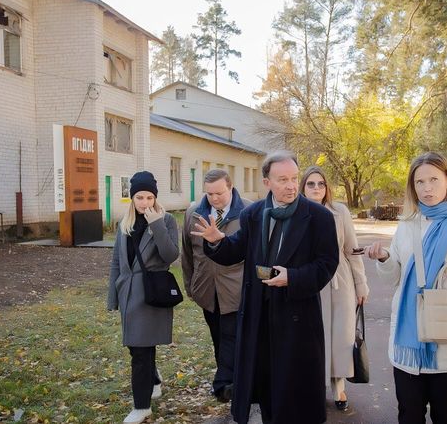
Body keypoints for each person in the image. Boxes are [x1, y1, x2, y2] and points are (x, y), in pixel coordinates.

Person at [191, 150, 340, 424]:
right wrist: (217, 241)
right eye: (282, 179)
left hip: (297, 316)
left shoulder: (318, 217)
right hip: (259, 315)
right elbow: (235, 250)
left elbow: (327, 264)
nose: (291, 185)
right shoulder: (253, 214)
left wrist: (293, 277)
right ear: (266, 182)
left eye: (294, 178)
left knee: (296, 391)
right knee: (267, 386)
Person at [364, 152, 447, 424]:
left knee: (446, 414)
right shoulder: (407, 225)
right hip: (407, 340)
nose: (427, 188)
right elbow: (394, 278)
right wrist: (385, 259)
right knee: (409, 413)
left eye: (434, 179)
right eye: (419, 182)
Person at [107, 171, 180, 424]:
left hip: (150, 294)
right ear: (132, 197)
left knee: (141, 351)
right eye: (140, 197)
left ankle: (141, 406)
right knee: (136, 348)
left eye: (150, 197)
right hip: (128, 293)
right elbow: (117, 261)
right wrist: (113, 297)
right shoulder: (124, 224)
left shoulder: (167, 220)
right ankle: (155, 378)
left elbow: (170, 255)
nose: (145, 202)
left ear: (155, 198)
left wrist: (156, 224)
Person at [299, 166, 369, 412]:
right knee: (313, 337)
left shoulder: (339, 212)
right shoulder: (297, 213)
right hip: (310, 282)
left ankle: (339, 386)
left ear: (327, 187)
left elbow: (352, 249)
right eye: (310, 184)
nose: (316, 188)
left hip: (340, 282)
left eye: (320, 184)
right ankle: (313, 385)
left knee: (341, 336)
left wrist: (361, 283)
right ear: (303, 187)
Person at [181, 169, 252, 403]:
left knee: (231, 334)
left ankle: (225, 384)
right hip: (206, 289)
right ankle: (229, 379)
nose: (214, 198)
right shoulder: (193, 213)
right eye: (209, 193)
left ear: (230, 188)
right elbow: (188, 253)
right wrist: (190, 284)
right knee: (218, 336)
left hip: (236, 289)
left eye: (219, 193)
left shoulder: (248, 212)